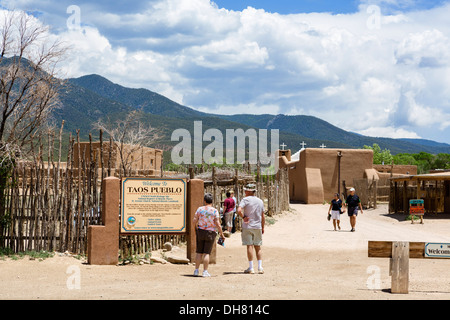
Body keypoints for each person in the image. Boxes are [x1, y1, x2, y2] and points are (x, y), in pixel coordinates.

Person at [193, 193, 225, 277]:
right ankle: (205, 271)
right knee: (206, 253)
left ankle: (196, 270)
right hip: (210, 232)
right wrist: (221, 233)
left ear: (204, 201)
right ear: (212, 201)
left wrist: (195, 228)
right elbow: (217, 223)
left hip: (200, 231)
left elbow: (194, 220)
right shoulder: (214, 211)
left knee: (199, 252)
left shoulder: (200, 209)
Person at [237, 183, 265, 274]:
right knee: (258, 246)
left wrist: (244, 217)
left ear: (249, 191)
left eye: (245, 190)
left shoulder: (245, 199)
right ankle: (260, 267)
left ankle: (251, 267)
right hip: (257, 226)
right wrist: (263, 226)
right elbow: (263, 216)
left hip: (248, 226)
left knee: (249, 245)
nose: (244, 192)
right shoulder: (260, 201)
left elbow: (238, 210)